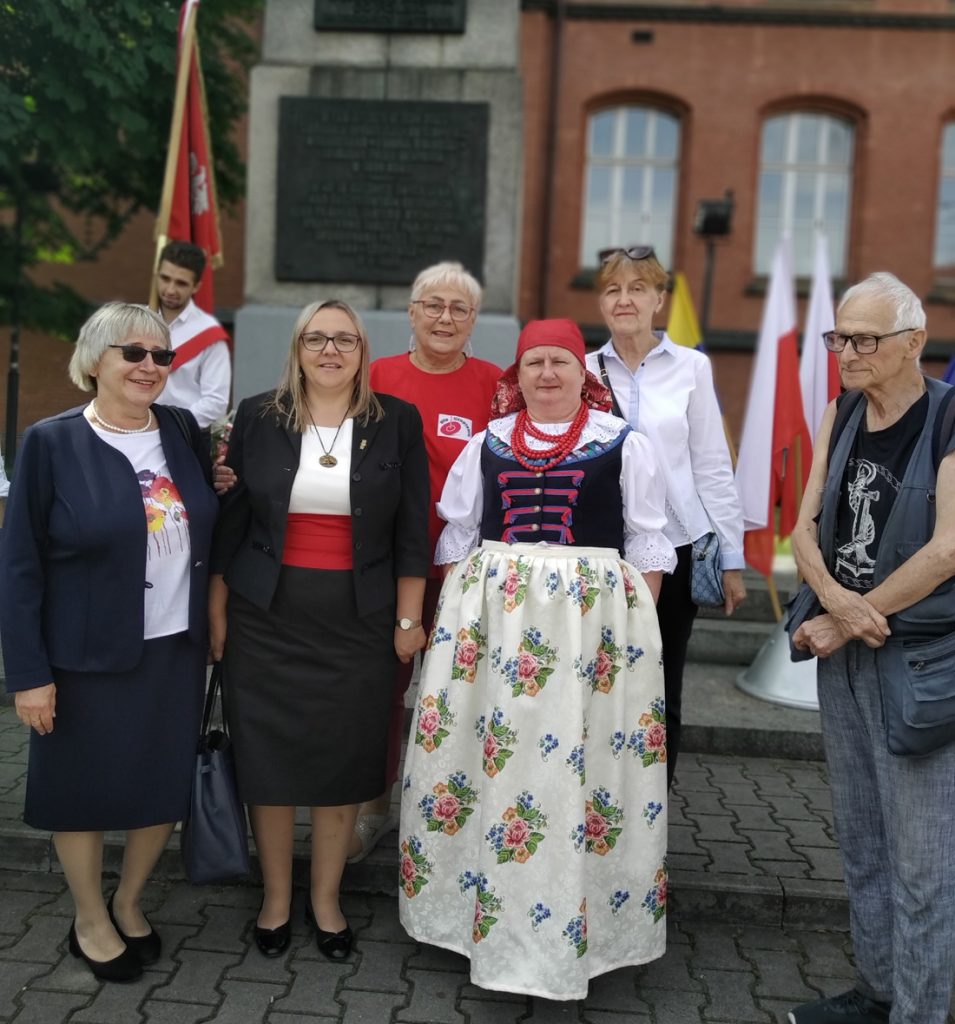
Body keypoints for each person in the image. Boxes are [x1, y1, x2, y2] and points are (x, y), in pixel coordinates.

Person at [399, 318, 675, 1000]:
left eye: (559, 362)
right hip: (495, 622)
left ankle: (587, 929)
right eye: (533, 364)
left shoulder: (623, 444)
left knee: (583, 767)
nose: (546, 374)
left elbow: (645, 543)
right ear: (515, 375)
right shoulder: (487, 442)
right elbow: (459, 535)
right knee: (481, 754)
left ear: (583, 374)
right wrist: (456, 625)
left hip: (590, 627)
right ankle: (473, 919)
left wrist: (634, 636)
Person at [0, 303, 218, 982]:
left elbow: (206, 517)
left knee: (159, 786)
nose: (150, 366)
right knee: (83, 791)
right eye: (134, 353)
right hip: (83, 656)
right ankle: (89, 914)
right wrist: (27, 674)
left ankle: (129, 900)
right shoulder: (51, 442)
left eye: (162, 357)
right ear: (95, 357)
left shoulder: (183, 430)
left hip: (173, 649)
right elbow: (20, 565)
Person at [209, 299, 430, 962]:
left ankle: (324, 900)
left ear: (363, 351)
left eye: (344, 340)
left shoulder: (397, 423)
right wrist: (217, 611)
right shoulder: (257, 415)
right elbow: (234, 524)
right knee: (270, 763)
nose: (329, 350)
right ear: (297, 348)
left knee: (343, 764)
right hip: (264, 618)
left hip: (358, 621)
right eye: (316, 338)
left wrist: (408, 619)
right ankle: (277, 898)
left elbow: (412, 530)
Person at [787, 273, 955, 1024]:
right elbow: (801, 526)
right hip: (846, 655)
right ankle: (878, 990)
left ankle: (918, 1013)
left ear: (913, 343)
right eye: (838, 337)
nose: (845, 352)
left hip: (916, 664)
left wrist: (852, 615)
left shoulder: (949, 418)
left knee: (922, 864)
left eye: (862, 339)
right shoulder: (842, 409)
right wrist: (832, 602)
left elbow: (947, 551)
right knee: (859, 840)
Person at [346, 261, 502, 863]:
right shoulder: (376, 375)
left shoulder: (497, 384)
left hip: (467, 568)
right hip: (386, 565)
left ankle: (456, 816)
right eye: (433, 305)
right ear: (411, 313)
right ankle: (373, 807)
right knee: (382, 689)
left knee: (463, 693)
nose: (445, 317)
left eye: (459, 308)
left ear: (473, 321)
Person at [586, 245, 746, 787]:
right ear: (601, 302)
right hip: (599, 551)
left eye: (637, 288)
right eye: (612, 289)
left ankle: (652, 811)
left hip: (676, 549)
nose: (624, 299)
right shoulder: (580, 370)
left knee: (660, 682)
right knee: (596, 679)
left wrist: (731, 558)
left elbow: (712, 467)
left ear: (659, 298)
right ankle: (597, 801)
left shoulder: (691, 367)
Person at [153, 240, 231, 430]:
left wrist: (170, 425)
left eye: (181, 283)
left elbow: (216, 401)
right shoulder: (135, 322)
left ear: (196, 286)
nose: (170, 290)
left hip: (183, 434)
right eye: (165, 279)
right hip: (132, 430)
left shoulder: (208, 333)